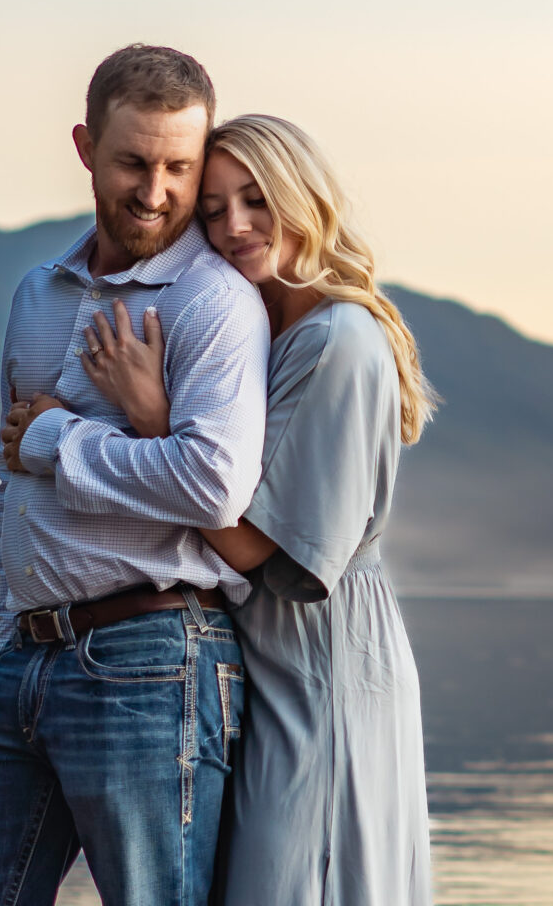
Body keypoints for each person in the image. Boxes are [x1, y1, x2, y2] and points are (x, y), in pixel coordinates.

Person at [0, 47, 271, 906]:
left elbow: (212, 487)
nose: (155, 192)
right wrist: (10, 633)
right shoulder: (37, 294)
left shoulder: (212, 302)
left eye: (178, 168)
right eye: (132, 162)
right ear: (85, 146)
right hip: (23, 656)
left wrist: (57, 439)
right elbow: (17, 494)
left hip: (151, 656)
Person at [84, 114, 435, 905]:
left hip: (324, 667)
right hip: (265, 666)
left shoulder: (338, 340)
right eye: (211, 209)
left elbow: (270, 558)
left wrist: (155, 422)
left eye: (256, 199)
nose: (234, 226)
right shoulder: (272, 334)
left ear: (303, 196)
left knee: (296, 882)